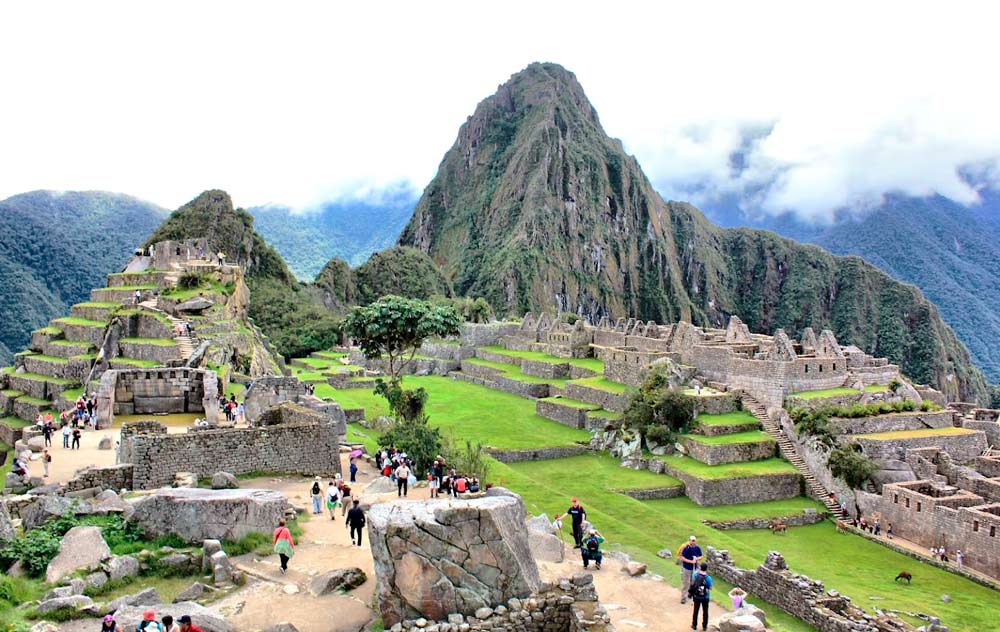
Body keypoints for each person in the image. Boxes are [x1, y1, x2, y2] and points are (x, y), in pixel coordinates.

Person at [679, 536, 703, 605]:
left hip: (694, 568)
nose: (693, 542)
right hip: (686, 568)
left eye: (694, 540)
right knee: (686, 583)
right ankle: (683, 598)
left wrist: (697, 559)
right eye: (692, 540)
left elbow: (701, 556)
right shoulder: (686, 548)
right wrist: (690, 561)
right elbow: (682, 557)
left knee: (693, 582)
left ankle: (690, 594)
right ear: (689, 541)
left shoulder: (697, 548)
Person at [689, 563, 713, 632]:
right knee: (705, 612)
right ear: (706, 569)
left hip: (696, 596)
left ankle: (694, 625)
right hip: (705, 597)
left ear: (700, 568)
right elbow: (711, 588)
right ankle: (704, 626)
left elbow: (693, 584)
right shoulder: (708, 578)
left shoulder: (695, 575)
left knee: (696, 611)